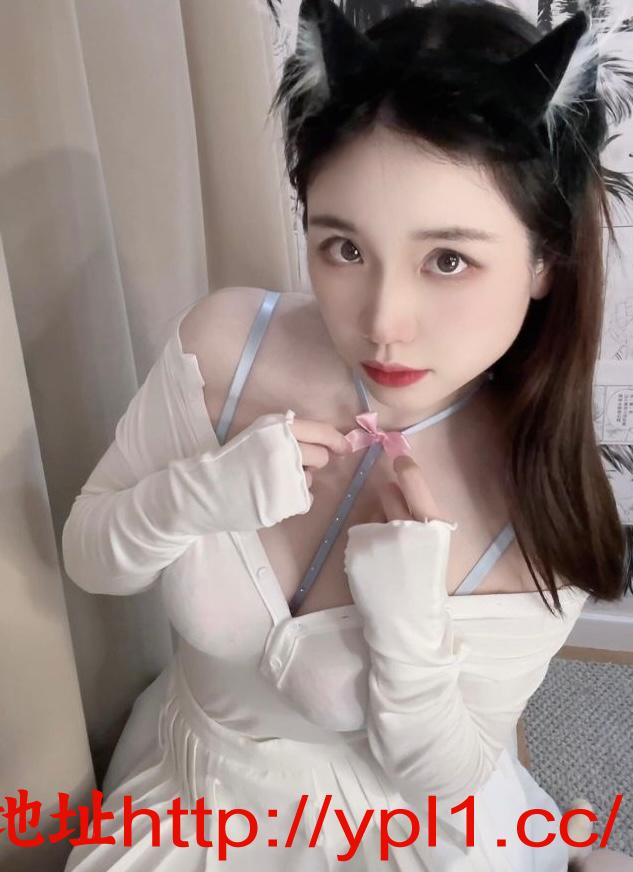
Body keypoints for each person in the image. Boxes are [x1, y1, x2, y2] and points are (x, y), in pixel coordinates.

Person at [61, 0, 633, 869]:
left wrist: (406, 621)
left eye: (448, 260)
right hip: (190, 800)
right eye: (344, 249)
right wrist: (196, 496)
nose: (382, 324)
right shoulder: (227, 349)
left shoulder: (538, 497)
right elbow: (90, 559)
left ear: (545, 261)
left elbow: (452, 775)